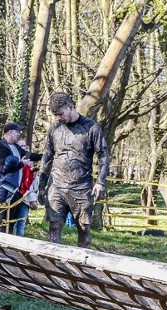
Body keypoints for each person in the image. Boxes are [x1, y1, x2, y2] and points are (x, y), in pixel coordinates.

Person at [38, 92, 110, 248]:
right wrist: (41, 186)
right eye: (55, 115)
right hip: (57, 185)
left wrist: (100, 182)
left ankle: (83, 266)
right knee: (54, 225)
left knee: (83, 228)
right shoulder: (55, 128)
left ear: (70, 107)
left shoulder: (91, 127)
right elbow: (47, 157)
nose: (58, 117)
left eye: (60, 114)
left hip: (81, 187)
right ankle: (52, 263)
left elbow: (103, 155)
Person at [14, 138, 43, 237]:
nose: (24, 148)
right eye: (21, 146)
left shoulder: (32, 164)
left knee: (21, 224)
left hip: (26, 197)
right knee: (11, 223)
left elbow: (34, 184)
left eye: (25, 146)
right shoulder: (15, 161)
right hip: (14, 195)